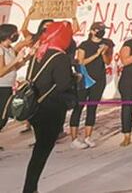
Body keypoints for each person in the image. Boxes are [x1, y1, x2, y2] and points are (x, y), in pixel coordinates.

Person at [22, 21, 74, 193]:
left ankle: (31, 187)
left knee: (40, 147)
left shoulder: (39, 52)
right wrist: (75, 78)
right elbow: (63, 84)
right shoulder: (60, 57)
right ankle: (30, 188)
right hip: (51, 108)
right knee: (42, 150)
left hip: (34, 107)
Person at [68, 22, 112, 148]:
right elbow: (81, 62)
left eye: (103, 30)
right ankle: (74, 138)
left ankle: (88, 136)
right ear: (92, 31)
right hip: (85, 79)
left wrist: (103, 53)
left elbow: (108, 62)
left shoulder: (106, 43)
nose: (102, 32)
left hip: (99, 79)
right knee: (79, 107)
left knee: (92, 108)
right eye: (100, 29)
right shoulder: (84, 45)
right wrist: (96, 54)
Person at [0, 23, 29, 136]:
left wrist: (27, 57)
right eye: (14, 33)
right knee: (2, 115)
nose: (16, 35)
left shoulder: (10, 49)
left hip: (8, 85)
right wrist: (16, 59)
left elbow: (15, 67)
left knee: (4, 115)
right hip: (1, 86)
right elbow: (1, 71)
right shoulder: (1, 49)